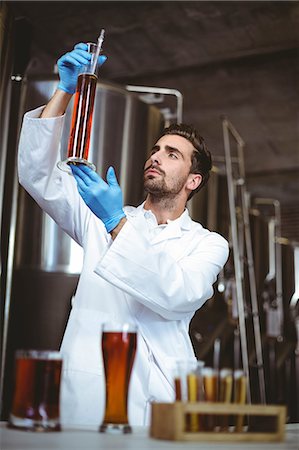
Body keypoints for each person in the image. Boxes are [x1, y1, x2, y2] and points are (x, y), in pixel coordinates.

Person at [17, 43, 229, 429]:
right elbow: (37, 175)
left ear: (193, 181)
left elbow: (175, 294)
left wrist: (116, 220)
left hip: (163, 401)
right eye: (155, 149)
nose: (156, 157)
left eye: (172, 154)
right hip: (90, 392)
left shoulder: (207, 244)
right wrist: (64, 91)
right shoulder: (99, 219)